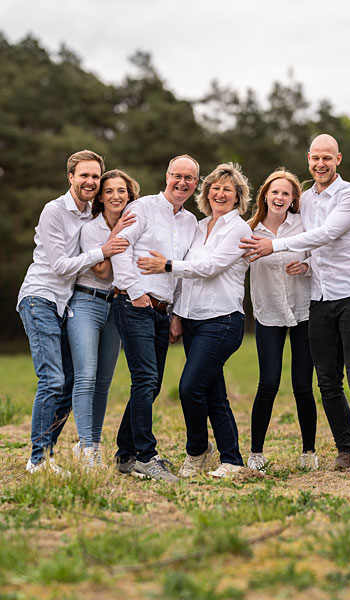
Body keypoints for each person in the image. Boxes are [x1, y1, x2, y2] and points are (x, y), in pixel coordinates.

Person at [240, 134, 350, 475]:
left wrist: (275, 246)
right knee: (327, 381)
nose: (320, 164)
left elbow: (328, 234)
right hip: (319, 299)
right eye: (315, 158)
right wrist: (307, 265)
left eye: (327, 158)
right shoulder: (308, 201)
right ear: (308, 159)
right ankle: (344, 450)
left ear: (338, 159)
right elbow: (317, 250)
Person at [17, 150, 129, 473]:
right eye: (84, 175)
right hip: (40, 297)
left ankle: (48, 453)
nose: (90, 181)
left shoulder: (90, 214)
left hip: (64, 304)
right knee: (53, 379)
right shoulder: (54, 211)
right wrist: (102, 251)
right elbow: (60, 266)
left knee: (69, 383)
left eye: (95, 176)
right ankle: (38, 459)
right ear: (71, 177)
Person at [138, 162, 252, 478]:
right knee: (214, 393)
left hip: (222, 320)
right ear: (206, 192)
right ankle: (231, 460)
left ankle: (197, 450)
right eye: (215, 188)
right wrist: (176, 315)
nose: (220, 194)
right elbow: (186, 279)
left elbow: (210, 267)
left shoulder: (239, 229)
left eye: (227, 189)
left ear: (238, 196)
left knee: (189, 388)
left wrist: (167, 265)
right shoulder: (199, 227)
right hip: (192, 320)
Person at [111, 155, 199, 482]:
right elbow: (120, 248)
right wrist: (136, 292)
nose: (182, 182)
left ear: (195, 184)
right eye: (177, 175)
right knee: (146, 378)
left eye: (189, 178)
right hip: (133, 303)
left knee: (153, 383)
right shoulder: (143, 207)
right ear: (167, 176)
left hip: (163, 310)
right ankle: (146, 458)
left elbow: (180, 271)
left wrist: (175, 314)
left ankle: (126, 454)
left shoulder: (190, 222)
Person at [67, 169, 139, 468]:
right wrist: (116, 233)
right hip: (86, 303)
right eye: (108, 191)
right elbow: (102, 271)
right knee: (86, 376)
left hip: (116, 307)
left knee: (104, 381)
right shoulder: (91, 228)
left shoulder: (135, 224)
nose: (115, 196)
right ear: (100, 197)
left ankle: (93, 444)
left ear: (129, 195)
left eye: (121, 191)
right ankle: (86, 447)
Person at [246, 168, 317, 471]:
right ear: (265, 195)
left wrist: (307, 266)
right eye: (274, 192)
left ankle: (309, 452)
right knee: (268, 383)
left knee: (302, 384)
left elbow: (322, 255)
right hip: (269, 312)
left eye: (285, 193)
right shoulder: (249, 230)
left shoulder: (304, 225)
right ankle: (256, 453)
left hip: (303, 311)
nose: (279, 197)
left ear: (293, 199)